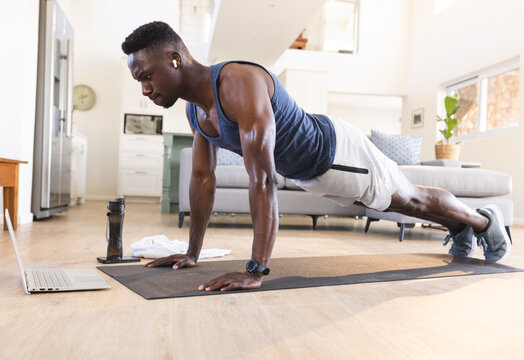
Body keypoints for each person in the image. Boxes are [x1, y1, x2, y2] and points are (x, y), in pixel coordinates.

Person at [121, 21, 511, 292]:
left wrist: (256, 270)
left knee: (409, 199)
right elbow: (203, 180)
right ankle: (462, 227)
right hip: (315, 174)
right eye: (139, 80)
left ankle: (482, 220)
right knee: (404, 203)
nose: (144, 88)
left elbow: (262, 179)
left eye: (146, 75)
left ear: (173, 58)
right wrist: (192, 253)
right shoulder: (196, 112)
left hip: (337, 153)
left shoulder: (238, 82)